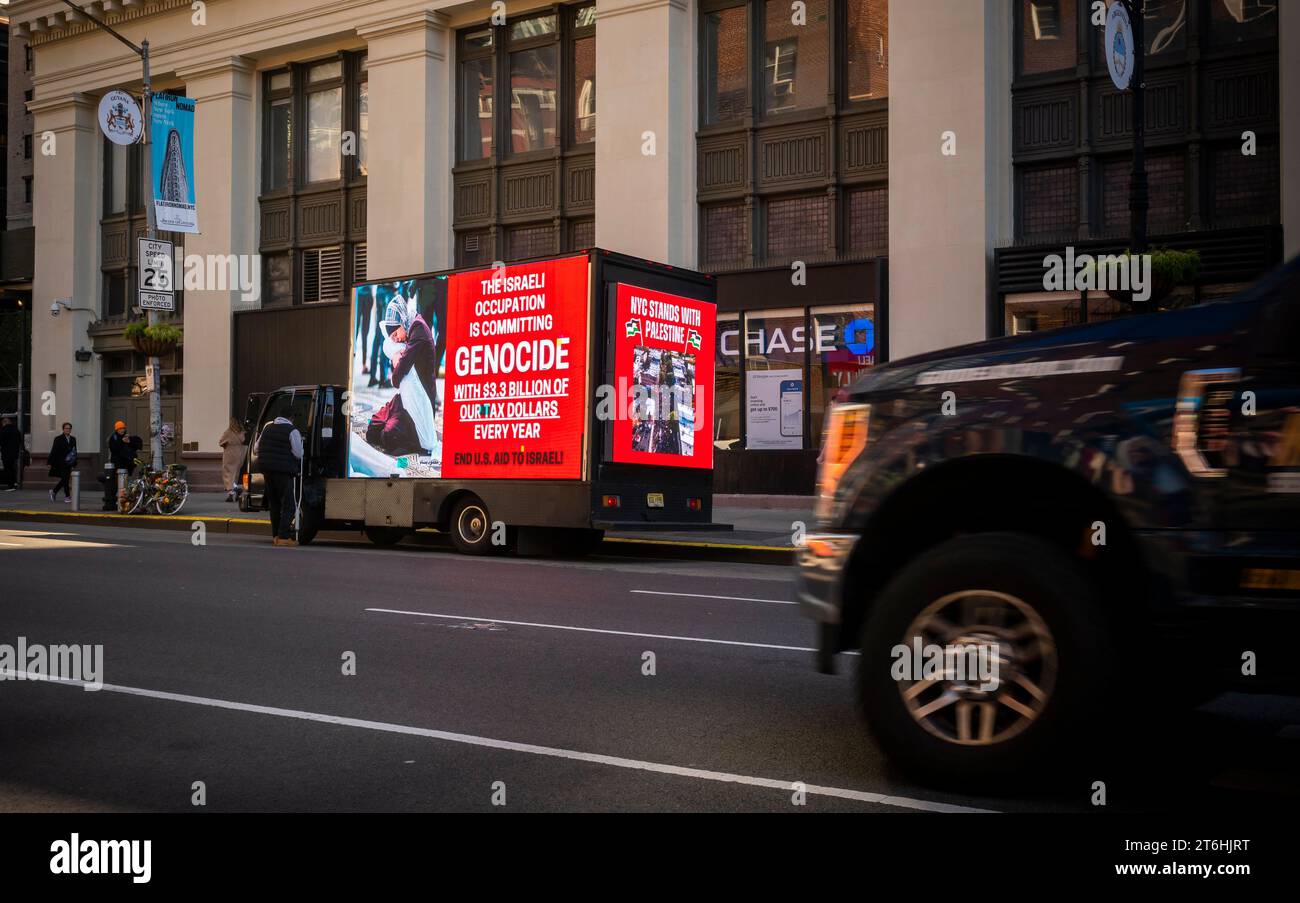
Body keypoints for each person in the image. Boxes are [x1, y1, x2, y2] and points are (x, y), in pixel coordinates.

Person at [254, 414, 303, 546]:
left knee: (274, 504)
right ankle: (283, 536)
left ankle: (275, 535)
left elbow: (256, 448)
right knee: (289, 505)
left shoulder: (267, 428)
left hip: (266, 470)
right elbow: (298, 453)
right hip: (283, 471)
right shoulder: (292, 430)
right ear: (292, 418)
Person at [103, 421, 138, 510]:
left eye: (123, 428)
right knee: (116, 483)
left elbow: (135, 446)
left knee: (125, 483)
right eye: (120, 429)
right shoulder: (113, 438)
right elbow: (114, 449)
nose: (122, 430)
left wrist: (129, 441)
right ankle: (115, 500)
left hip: (127, 464)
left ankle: (124, 500)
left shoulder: (127, 436)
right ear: (116, 429)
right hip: (118, 464)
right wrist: (122, 442)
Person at [218, 417, 247, 502]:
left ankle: (232, 492)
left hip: (229, 454)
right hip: (239, 454)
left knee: (227, 474)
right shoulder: (241, 431)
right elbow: (243, 440)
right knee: (235, 474)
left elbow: (221, 442)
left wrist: (226, 444)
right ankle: (235, 489)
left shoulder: (228, 432)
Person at [46, 422, 77, 503]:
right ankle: (67, 496)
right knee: (65, 479)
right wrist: (49, 462)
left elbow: (74, 451)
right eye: (66, 428)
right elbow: (54, 451)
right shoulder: (58, 439)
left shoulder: (73, 439)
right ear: (63, 429)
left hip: (69, 463)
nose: (68, 430)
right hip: (60, 462)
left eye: (69, 428)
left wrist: (74, 463)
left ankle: (54, 492)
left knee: (65, 479)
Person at [1, 416, 21, 490]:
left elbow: (1, 441)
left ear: (4, 423)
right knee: (13, 468)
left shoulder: (3, 430)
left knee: (7, 469)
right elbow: (19, 440)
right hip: (14, 453)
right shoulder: (16, 430)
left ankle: (11, 485)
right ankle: (15, 482)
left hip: (6, 453)